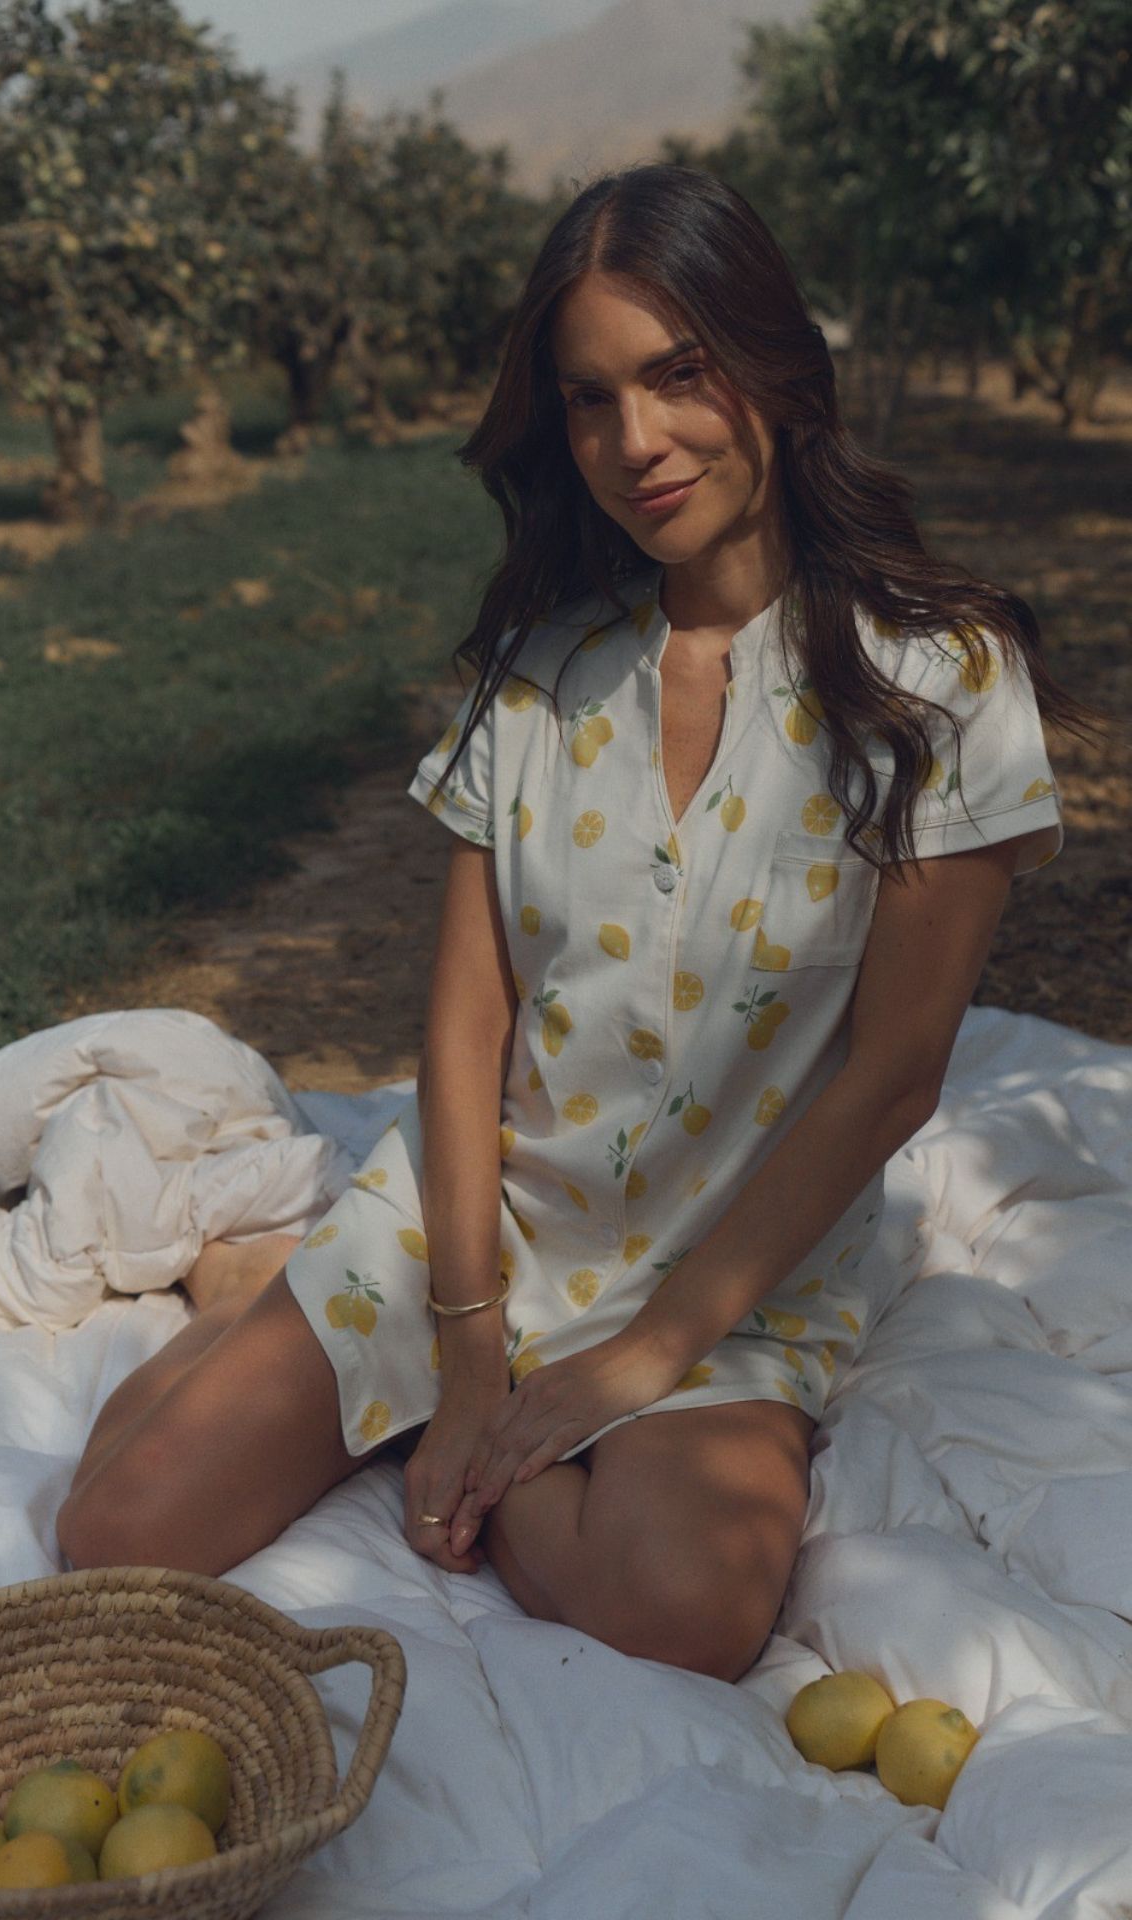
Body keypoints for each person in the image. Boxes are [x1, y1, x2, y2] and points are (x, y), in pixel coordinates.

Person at [56, 165, 1096, 1681]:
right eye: (590, 400)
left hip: (732, 1278)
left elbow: (892, 1076)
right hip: (479, 1239)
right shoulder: (540, 672)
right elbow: (465, 1027)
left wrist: (634, 1364)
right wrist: (470, 1346)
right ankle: (302, 1312)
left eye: (680, 376)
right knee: (115, 1532)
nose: (637, 442)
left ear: (776, 366)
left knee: (682, 1612)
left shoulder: (941, 678)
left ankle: (409, 1418)